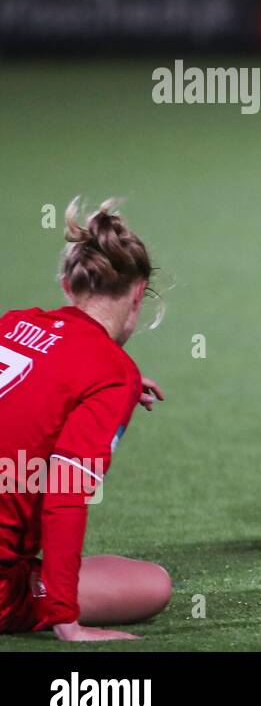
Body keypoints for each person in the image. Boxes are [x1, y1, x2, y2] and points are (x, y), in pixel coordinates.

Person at [0, 198, 172, 640]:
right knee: (152, 583)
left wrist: (101, 390)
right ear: (139, 294)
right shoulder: (112, 373)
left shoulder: (13, 325)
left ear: (66, 286)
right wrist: (66, 620)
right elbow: (64, 491)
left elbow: (36, 389)